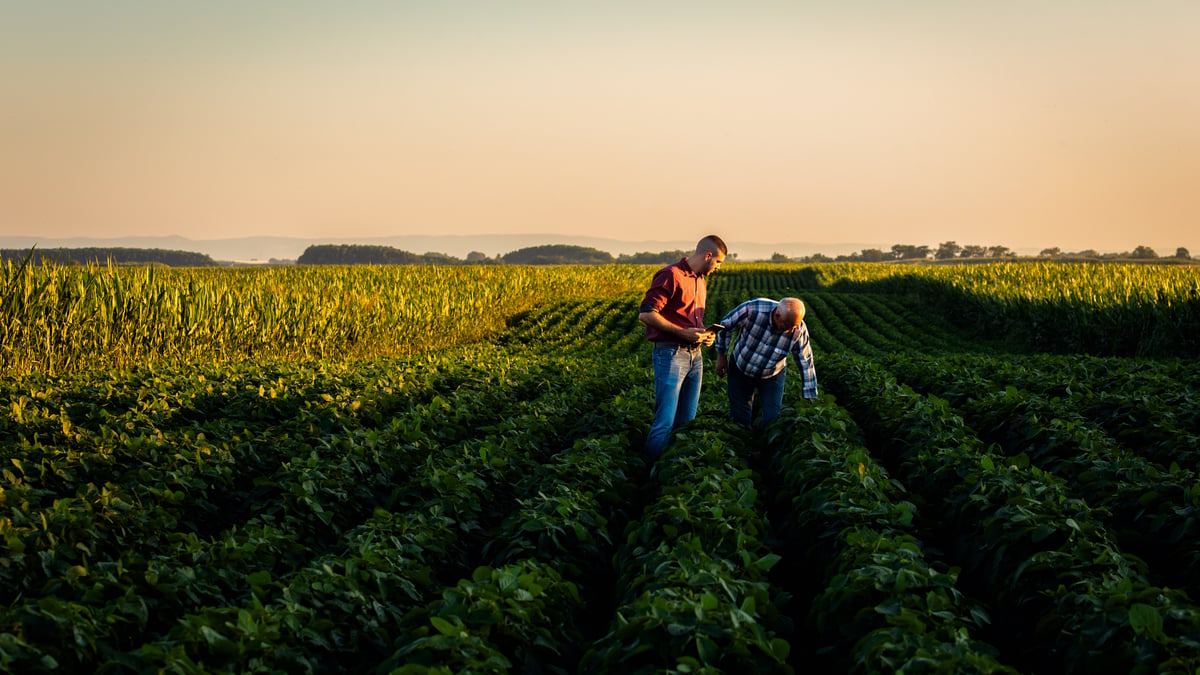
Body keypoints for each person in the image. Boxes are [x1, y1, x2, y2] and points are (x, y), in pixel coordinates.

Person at [638, 235, 727, 460]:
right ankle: (653, 478)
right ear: (708, 255)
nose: (718, 268)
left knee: (687, 422)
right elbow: (646, 314)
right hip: (670, 354)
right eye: (718, 262)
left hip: (695, 357)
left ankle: (675, 470)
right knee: (665, 421)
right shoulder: (671, 275)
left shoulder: (700, 280)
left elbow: (690, 322)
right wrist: (682, 333)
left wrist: (706, 336)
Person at [713, 297, 818, 431]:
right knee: (739, 417)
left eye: (795, 325)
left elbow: (805, 359)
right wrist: (722, 356)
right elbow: (725, 327)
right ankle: (745, 444)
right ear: (777, 315)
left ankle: (767, 446)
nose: (792, 329)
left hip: (772, 374)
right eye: (788, 325)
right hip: (741, 369)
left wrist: (808, 393)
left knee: (773, 417)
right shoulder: (753, 309)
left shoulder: (798, 328)